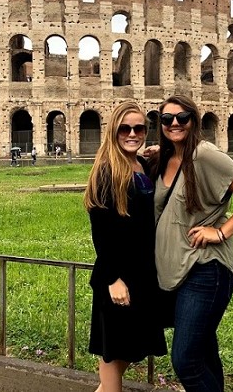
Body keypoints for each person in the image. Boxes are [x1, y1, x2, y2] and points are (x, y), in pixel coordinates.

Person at [149, 94, 233, 392]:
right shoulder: (166, 158)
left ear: (194, 120)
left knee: (186, 360)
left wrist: (221, 232)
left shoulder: (204, 154)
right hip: (179, 268)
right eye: (167, 119)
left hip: (205, 267)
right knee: (202, 354)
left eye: (182, 118)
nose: (174, 124)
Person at [83, 101, 167, 392]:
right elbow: (101, 231)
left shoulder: (141, 164)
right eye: (125, 128)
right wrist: (112, 278)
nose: (132, 134)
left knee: (132, 345)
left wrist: (163, 151)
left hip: (142, 271)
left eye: (139, 128)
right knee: (114, 349)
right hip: (118, 274)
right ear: (113, 131)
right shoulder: (107, 170)